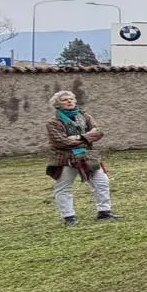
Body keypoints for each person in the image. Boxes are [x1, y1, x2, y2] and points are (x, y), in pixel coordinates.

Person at [45, 88, 118, 225]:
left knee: (102, 182)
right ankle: (69, 217)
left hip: (88, 156)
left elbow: (98, 132)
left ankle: (104, 212)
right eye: (65, 100)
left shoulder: (85, 116)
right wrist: (87, 139)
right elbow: (61, 142)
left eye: (71, 99)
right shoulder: (53, 122)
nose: (69, 101)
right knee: (63, 187)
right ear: (57, 104)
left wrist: (79, 137)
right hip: (64, 158)